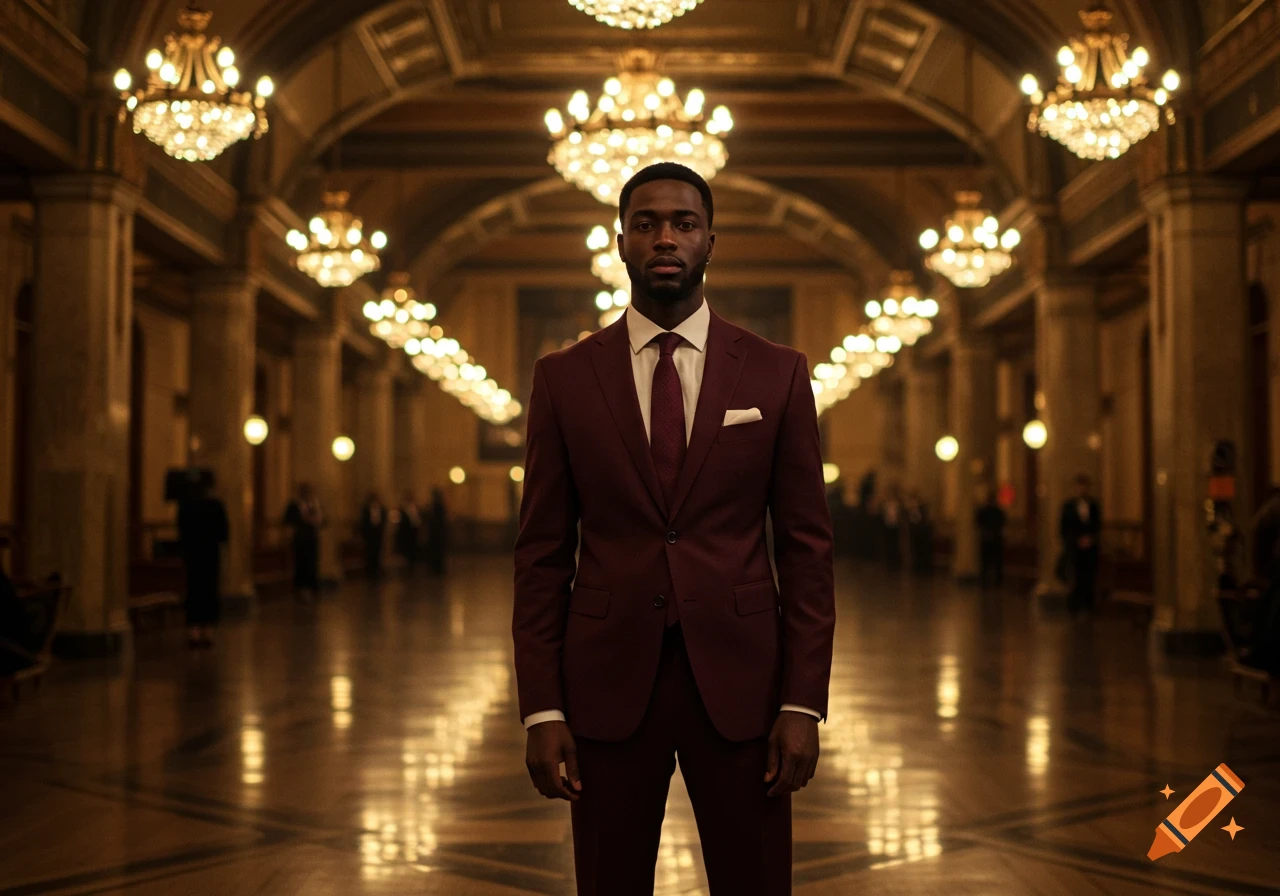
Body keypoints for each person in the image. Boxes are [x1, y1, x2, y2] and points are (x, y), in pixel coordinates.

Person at [513, 163, 835, 895]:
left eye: (684, 224)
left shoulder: (777, 373)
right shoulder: (563, 378)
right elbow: (539, 556)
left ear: (711, 241)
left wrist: (801, 701)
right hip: (604, 687)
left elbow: (808, 549)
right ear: (619, 241)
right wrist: (542, 707)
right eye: (647, 223)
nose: (666, 237)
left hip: (747, 690)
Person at [177, 477, 229, 647]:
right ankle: (207, 631)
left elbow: (181, 532)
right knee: (209, 590)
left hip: (193, 555)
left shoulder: (186, 506)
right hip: (210, 554)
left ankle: (194, 631)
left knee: (193, 590)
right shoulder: (215, 506)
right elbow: (223, 533)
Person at [1060, 474, 1101, 616]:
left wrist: (1090, 539)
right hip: (1074, 548)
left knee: (1089, 577)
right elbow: (1064, 528)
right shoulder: (1068, 506)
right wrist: (1075, 540)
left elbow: (1097, 525)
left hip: (1090, 548)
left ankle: (1088, 606)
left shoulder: (1094, 505)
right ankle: (1074, 606)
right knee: (1074, 577)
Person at [284, 482, 324, 602]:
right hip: (300, 540)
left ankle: (312, 589)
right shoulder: (293, 506)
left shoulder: (314, 505)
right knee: (300, 564)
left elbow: (323, 520)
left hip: (312, 539)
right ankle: (301, 589)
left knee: (312, 564)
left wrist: (316, 519)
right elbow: (288, 520)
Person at [975, 487, 1007, 588]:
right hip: (989, 539)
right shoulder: (987, 511)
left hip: (993, 539)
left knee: (995, 562)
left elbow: (1002, 522)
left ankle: (996, 580)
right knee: (986, 561)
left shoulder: (996, 511)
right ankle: (988, 580)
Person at [359, 492, 387, 580]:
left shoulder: (382, 509)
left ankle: (377, 570)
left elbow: (383, 520)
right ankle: (369, 571)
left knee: (378, 551)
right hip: (369, 534)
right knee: (369, 552)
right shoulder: (366, 509)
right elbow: (363, 522)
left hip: (378, 533)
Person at [396, 490, 423, 572]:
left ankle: (413, 564)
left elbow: (419, 518)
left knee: (414, 548)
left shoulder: (416, 507)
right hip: (406, 532)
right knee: (407, 548)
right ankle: (409, 564)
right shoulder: (403, 508)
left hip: (414, 530)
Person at [426, 487, 449, 576]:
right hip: (437, 533)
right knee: (437, 551)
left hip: (437, 533)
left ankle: (437, 568)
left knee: (438, 551)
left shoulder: (438, 506)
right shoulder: (437, 506)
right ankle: (436, 567)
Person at [880, 486, 904, 569]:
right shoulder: (885, 504)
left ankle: (894, 562)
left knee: (895, 544)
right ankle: (887, 561)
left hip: (895, 527)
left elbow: (900, 515)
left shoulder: (898, 504)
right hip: (887, 526)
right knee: (888, 544)